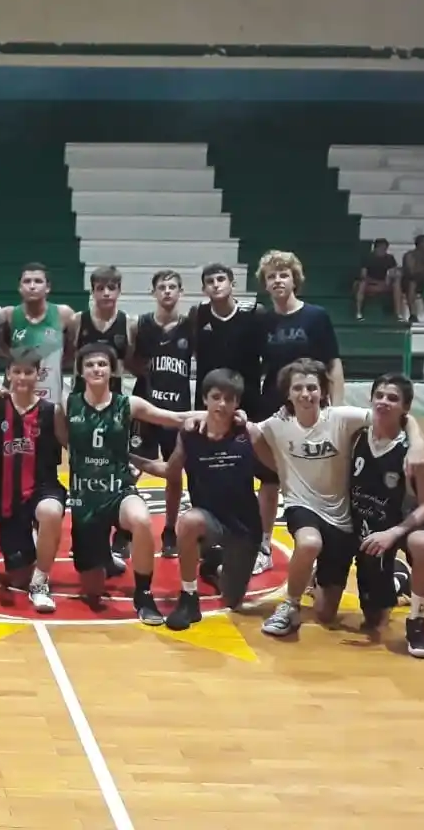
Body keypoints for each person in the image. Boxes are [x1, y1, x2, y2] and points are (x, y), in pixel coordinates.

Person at [248, 358, 424, 638]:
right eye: (298, 388)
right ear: (288, 393)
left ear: (323, 391)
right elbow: (248, 430)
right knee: (309, 542)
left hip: (341, 519)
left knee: (328, 614)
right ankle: (290, 606)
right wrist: (281, 470)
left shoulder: (341, 417)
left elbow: (396, 416)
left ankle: (396, 578)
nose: (305, 394)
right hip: (302, 506)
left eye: (312, 387)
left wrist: (417, 441)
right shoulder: (276, 424)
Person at [66, 343, 205, 624]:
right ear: (80, 371)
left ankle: (143, 595)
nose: (96, 369)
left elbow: (174, 418)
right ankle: (104, 558)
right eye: (90, 364)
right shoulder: (67, 405)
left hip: (118, 489)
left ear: (113, 370)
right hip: (85, 498)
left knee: (141, 520)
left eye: (102, 364)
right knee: (93, 590)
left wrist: (219, 414)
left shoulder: (128, 404)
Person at [131, 369, 261, 631]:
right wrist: (127, 457)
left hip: (244, 528)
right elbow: (169, 471)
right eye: (216, 397)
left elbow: (276, 468)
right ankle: (189, 598)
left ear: (237, 403)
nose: (221, 404)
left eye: (229, 399)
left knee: (232, 600)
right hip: (209, 521)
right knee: (190, 521)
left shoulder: (248, 433)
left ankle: (213, 566)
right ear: (204, 399)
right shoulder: (190, 435)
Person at [256, 250, 343, 578]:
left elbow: (333, 364)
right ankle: (264, 547)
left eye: (284, 275)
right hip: (273, 410)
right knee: (269, 479)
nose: (278, 280)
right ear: (265, 284)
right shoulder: (263, 321)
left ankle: (319, 552)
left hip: (311, 410)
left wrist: (334, 409)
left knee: (314, 481)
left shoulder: (316, 317)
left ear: (295, 280)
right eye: (271, 276)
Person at [190, 262, 270, 574]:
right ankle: (208, 536)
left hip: (247, 405)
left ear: (232, 284)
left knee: (251, 470)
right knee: (205, 469)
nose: (215, 284)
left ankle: (257, 540)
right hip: (210, 406)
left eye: (221, 279)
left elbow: (266, 359)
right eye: (209, 281)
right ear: (203, 288)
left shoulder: (255, 315)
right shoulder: (199, 315)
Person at [350, 374, 424, 658]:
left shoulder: (416, 451)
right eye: (379, 395)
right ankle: (399, 578)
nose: (384, 402)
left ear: (405, 408)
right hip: (370, 526)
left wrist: (394, 533)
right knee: (374, 619)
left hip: (404, 525)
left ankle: (418, 621)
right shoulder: (356, 436)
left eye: (393, 398)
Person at [0, 349, 67, 613]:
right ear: (8, 374)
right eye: (17, 371)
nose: (22, 377)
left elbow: (73, 446)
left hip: (44, 487)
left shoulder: (52, 411)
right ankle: (33, 549)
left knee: (50, 512)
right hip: (9, 495)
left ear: (38, 375)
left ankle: (40, 583)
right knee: (18, 578)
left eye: (28, 372)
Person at [129, 270, 194, 559]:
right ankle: (124, 528)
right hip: (146, 408)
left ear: (181, 292)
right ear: (153, 292)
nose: (167, 291)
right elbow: (130, 360)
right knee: (132, 468)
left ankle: (169, 529)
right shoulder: (141, 325)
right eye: (162, 287)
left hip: (177, 410)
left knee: (174, 471)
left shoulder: (190, 326)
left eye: (172, 287)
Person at [0, 262, 76, 404]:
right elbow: (1, 348)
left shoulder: (63, 314)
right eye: (27, 281)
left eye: (38, 281)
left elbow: (72, 350)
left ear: (48, 287)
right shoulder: (9, 315)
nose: (32, 286)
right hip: (18, 391)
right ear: (20, 287)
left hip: (52, 392)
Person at [73, 266, 133, 394]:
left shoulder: (128, 322)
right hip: (82, 391)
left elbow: (130, 361)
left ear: (119, 291)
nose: (106, 293)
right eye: (100, 288)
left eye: (111, 288)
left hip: (114, 391)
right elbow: (71, 356)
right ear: (92, 292)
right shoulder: (78, 320)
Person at [354, 238, 402, 321]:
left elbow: (394, 272)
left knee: (397, 284)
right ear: (376, 248)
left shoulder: (390, 258)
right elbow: (363, 275)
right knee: (361, 284)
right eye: (381, 248)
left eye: (385, 248)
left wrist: (391, 278)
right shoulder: (368, 257)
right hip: (371, 283)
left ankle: (398, 314)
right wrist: (375, 282)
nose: (383, 250)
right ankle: (358, 312)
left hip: (384, 283)